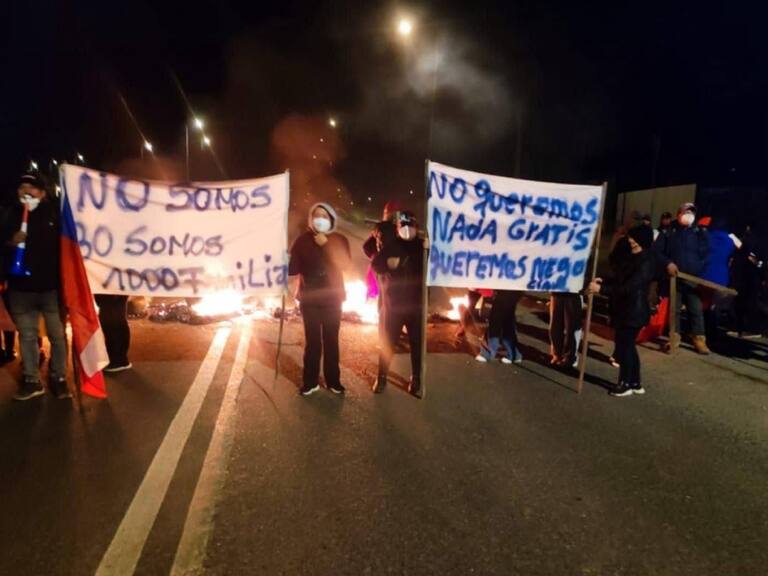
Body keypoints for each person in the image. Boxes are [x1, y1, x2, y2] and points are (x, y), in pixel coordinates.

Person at [0, 173, 69, 400]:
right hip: (21, 290)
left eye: (32, 187)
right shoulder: (10, 215)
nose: (26, 191)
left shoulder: (55, 215)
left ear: (42, 192)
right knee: (27, 336)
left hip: (50, 289)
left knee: (57, 336)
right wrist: (11, 242)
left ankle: (58, 377)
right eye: (22, 187)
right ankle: (32, 379)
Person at [288, 202, 350, 396]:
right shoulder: (302, 241)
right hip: (310, 300)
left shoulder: (339, 239)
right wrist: (285, 258)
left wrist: (328, 245)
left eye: (324, 215)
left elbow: (345, 264)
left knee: (331, 341)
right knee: (313, 342)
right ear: (311, 218)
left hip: (333, 299)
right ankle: (310, 381)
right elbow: (293, 270)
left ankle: (333, 380)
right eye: (317, 215)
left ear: (331, 219)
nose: (320, 219)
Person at [589, 225, 656, 397]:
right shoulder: (633, 257)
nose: (630, 240)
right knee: (628, 347)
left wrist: (601, 290)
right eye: (630, 237)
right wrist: (603, 281)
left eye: (633, 238)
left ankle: (625, 383)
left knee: (624, 347)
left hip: (633, 312)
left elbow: (628, 287)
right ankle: (635, 382)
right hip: (625, 310)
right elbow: (621, 278)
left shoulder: (646, 261)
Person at [370, 210, 426, 395]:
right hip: (393, 305)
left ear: (417, 227)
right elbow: (375, 264)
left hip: (417, 306)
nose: (407, 229)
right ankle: (382, 376)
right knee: (387, 343)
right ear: (398, 228)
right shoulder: (392, 245)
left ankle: (416, 378)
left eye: (411, 225)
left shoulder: (423, 246)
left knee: (417, 345)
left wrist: (430, 249)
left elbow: (438, 266)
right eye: (403, 226)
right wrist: (388, 266)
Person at [654, 202, 710, 354]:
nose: (689, 215)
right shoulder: (668, 231)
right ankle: (674, 337)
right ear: (679, 213)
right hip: (674, 278)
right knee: (674, 309)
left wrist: (699, 267)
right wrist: (668, 263)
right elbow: (657, 251)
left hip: (692, 278)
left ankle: (699, 339)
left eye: (692, 212)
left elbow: (706, 253)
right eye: (686, 212)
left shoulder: (699, 232)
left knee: (695, 309)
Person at [475, 290, 523, 364]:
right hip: (514, 287)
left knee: (497, 316)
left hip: (508, 287)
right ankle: (513, 353)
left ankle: (487, 352)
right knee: (507, 316)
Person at [95, 294, 132, 371]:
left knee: (112, 315)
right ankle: (118, 358)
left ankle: (118, 360)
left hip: (113, 289)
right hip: (111, 288)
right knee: (112, 314)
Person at [549, 292, 582, 368]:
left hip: (573, 294)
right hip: (557, 291)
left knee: (571, 327)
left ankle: (569, 356)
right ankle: (557, 353)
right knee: (555, 325)